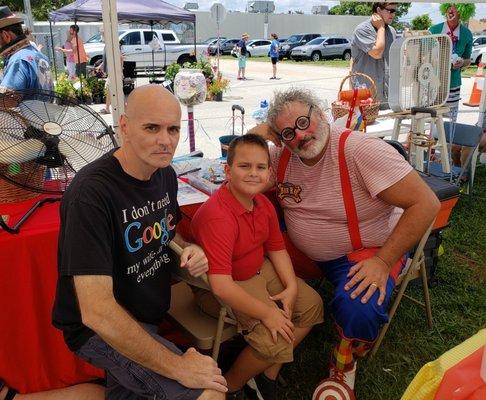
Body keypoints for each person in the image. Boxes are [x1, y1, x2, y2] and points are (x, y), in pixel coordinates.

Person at [249, 88, 440, 397]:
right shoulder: (282, 154)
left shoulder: (361, 151)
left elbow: (427, 204)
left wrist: (382, 262)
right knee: (245, 258)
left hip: (362, 252)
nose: (299, 136)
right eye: (287, 132)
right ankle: (259, 337)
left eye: (303, 122)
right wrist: (265, 133)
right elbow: (243, 159)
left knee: (359, 309)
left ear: (321, 114)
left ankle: (345, 360)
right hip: (301, 253)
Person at [52, 85, 227, 400]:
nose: (166, 140)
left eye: (173, 129)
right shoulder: (91, 194)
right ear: (124, 127)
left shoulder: (164, 175)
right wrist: (176, 366)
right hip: (98, 329)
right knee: (209, 393)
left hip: (146, 315)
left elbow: (167, 232)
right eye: (152, 128)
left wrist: (190, 249)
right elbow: (97, 311)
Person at [191, 134, 323, 400]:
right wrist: (267, 313)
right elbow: (221, 286)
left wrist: (291, 288)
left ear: (268, 172)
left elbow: (276, 249)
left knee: (311, 305)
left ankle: (267, 375)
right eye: (244, 166)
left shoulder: (263, 203)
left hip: (258, 269)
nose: (254, 174)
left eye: (261, 167)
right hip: (221, 286)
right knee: (274, 333)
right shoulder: (218, 216)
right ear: (228, 170)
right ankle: (232, 386)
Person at [429, 3, 474, 167]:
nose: (451, 10)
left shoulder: (467, 34)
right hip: (433, 83)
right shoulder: (433, 30)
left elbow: (469, 59)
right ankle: (430, 157)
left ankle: (445, 160)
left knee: (450, 121)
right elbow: (423, 53)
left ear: (463, 10)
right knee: (432, 117)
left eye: (455, 7)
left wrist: (462, 62)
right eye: (449, 7)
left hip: (453, 83)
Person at [351, 2, 398, 109]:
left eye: (395, 11)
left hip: (386, 95)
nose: (393, 14)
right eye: (390, 11)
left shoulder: (392, 31)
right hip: (366, 95)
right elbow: (377, 53)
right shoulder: (362, 29)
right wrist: (381, 28)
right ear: (378, 10)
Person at [0, 6, 53, 93]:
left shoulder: (18, 61)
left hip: (30, 107)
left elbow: (7, 100)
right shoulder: (39, 55)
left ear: (6, 36)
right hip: (46, 106)